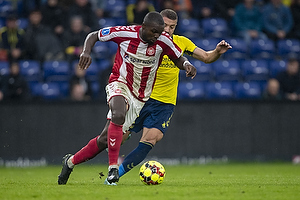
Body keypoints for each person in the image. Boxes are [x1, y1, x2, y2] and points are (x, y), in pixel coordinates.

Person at [58, 11, 197, 185]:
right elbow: (94, 35)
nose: (156, 36)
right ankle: (113, 169)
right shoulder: (125, 33)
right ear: (143, 27)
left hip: (140, 97)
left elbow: (178, 57)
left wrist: (186, 64)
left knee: (103, 140)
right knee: (118, 114)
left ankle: (70, 162)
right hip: (120, 82)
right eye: (153, 31)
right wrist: (86, 52)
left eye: (159, 32)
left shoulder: (163, 40)